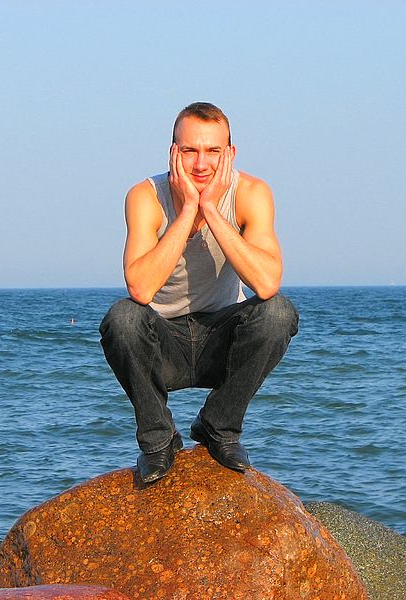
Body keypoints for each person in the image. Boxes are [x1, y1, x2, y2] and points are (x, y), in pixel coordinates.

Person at [100, 102, 299, 484]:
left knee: (278, 312)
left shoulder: (251, 193)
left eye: (213, 151)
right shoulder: (146, 196)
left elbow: (267, 282)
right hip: (162, 341)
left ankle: (218, 427)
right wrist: (190, 208)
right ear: (173, 152)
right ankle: (159, 441)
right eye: (189, 150)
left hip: (221, 341)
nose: (201, 164)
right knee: (122, 318)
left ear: (231, 154)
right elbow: (140, 288)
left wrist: (212, 209)